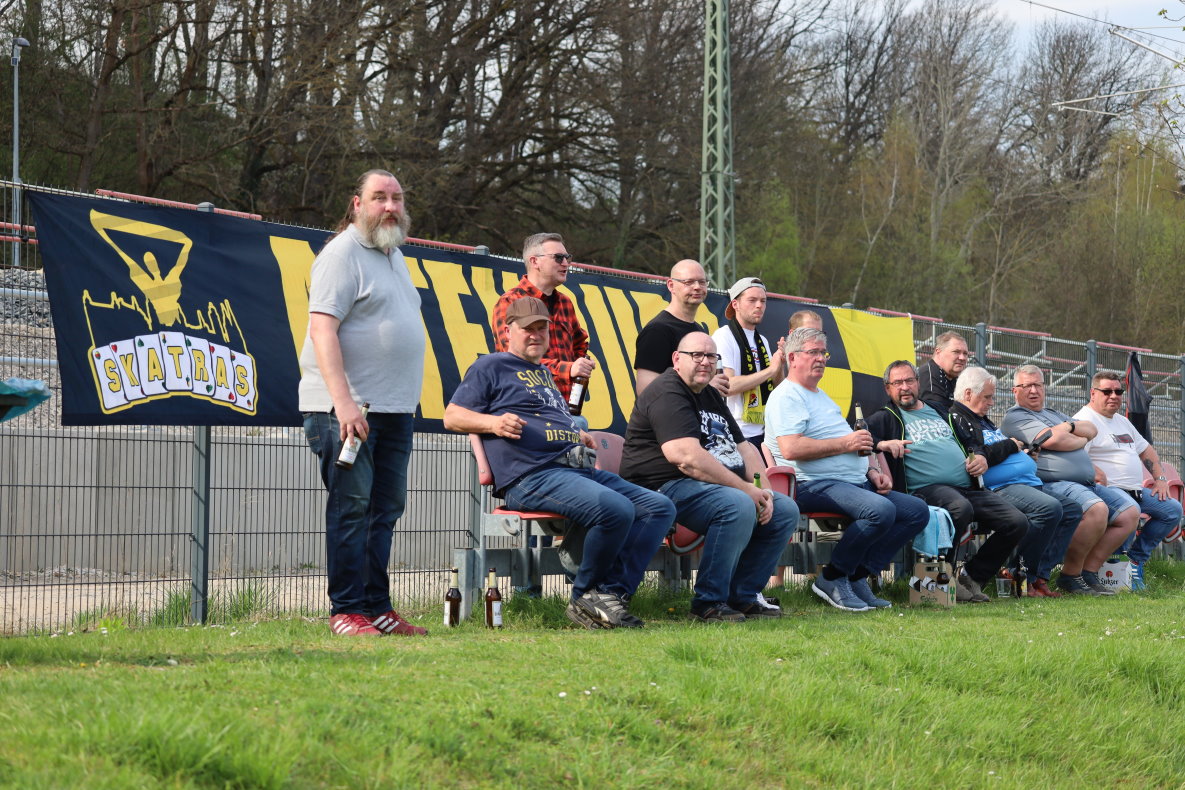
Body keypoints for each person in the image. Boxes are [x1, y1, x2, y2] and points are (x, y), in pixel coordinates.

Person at [444, 297, 674, 629]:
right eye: (528, 328)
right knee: (616, 509)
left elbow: (547, 418)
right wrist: (492, 423)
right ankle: (584, 597)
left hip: (574, 469)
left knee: (659, 507)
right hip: (531, 475)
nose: (536, 334)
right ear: (508, 331)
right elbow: (452, 416)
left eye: (542, 328)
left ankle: (611, 594)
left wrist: (574, 433)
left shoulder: (542, 373)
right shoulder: (491, 366)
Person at [299, 169, 427, 637]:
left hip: (394, 411)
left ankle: (377, 608)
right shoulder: (341, 254)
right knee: (351, 510)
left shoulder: (395, 256)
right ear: (357, 204)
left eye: (397, 198)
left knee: (385, 511)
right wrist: (344, 404)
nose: (390, 207)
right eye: (379, 198)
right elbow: (322, 331)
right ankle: (346, 610)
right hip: (348, 412)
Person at [620, 332, 798, 622]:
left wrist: (764, 491)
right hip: (661, 486)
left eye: (711, 356)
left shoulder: (710, 394)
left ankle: (743, 596)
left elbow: (745, 448)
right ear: (677, 359)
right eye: (696, 355)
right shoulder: (668, 391)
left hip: (708, 486)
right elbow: (686, 458)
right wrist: (746, 490)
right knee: (737, 504)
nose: (705, 362)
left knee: (784, 509)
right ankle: (709, 602)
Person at [765, 328, 929, 612]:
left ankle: (856, 576)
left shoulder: (821, 396)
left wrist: (871, 471)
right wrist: (847, 443)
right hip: (811, 483)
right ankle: (832, 577)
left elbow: (851, 445)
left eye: (823, 353)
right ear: (792, 358)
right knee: (880, 510)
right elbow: (791, 448)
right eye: (813, 352)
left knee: (916, 511)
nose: (821, 358)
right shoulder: (786, 396)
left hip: (851, 482)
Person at [867, 361, 1029, 603]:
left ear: (918, 383)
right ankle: (943, 579)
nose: (904, 387)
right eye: (897, 383)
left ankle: (971, 577)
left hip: (967, 487)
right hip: (924, 490)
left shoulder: (939, 410)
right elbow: (858, 435)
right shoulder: (886, 417)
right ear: (887, 388)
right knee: (959, 507)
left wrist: (980, 456)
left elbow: (971, 441)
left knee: (1016, 522)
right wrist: (882, 444)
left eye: (909, 380)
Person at [1001, 365, 1139, 596]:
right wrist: (1076, 437)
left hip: (1084, 483)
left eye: (1038, 385)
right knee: (1097, 510)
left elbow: (1091, 429)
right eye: (1027, 386)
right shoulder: (1016, 416)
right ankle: (1070, 576)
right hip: (1053, 483)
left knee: (1129, 514)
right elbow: (1053, 441)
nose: (1033, 390)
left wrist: (1069, 426)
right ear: (1015, 390)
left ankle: (1088, 573)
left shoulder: (1053, 414)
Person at [946, 366, 1080, 597]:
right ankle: (1018, 575)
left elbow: (993, 450)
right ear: (968, 394)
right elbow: (977, 455)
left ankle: (1038, 576)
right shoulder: (958, 419)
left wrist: (1022, 454)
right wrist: (1011, 445)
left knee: (1072, 510)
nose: (992, 402)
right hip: (998, 487)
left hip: (1024, 483)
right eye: (987, 397)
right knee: (1049, 508)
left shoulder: (982, 420)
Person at [1074, 370, 1183, 591]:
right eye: (1107, 391)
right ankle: (1110, 575)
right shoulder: (1083, 420)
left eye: (1118, 391)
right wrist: (1096, 473)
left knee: (1172, 510)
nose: (1114, 396)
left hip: (1135, 491)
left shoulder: (1122, 421)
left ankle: (1135, 561)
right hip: (1107, 492)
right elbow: (1076, 457)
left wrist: (1160, 479)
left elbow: (1146, 450)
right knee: (1130, 509)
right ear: (1093, 393)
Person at [491, 233, 595, 404]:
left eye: (567, 257)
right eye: (558, 257)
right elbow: (514, 359)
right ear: (534, 261)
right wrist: (568, 369)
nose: (565, 263)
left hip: (563, 408)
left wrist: (579, 367)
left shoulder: (565, 302)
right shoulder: (510, 301)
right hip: (524, 406)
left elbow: (580, 343)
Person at [711, 276, 785, 453]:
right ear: (735, 304)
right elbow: (728, 386)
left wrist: (780, 364)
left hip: (764, 431)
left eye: (763, 301)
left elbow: (777, 387)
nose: (759, 306)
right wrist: (771, 370)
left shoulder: (762, 340)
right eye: (752, 300)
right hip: (734, 432)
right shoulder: (723, 336)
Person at [634, 260, 726, 395]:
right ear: (671, 285)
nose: (697, 287)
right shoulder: (657, 331)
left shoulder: (698, 331)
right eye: (689, 282)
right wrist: (706, 386)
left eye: (702, 282)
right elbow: (646, 390)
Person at [917, 331, 970, 410]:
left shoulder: (956, 377)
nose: (962, 358)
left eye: (965, 353)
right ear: (938, 352)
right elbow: (936, 413)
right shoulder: (928, 375)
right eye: (956, 352)